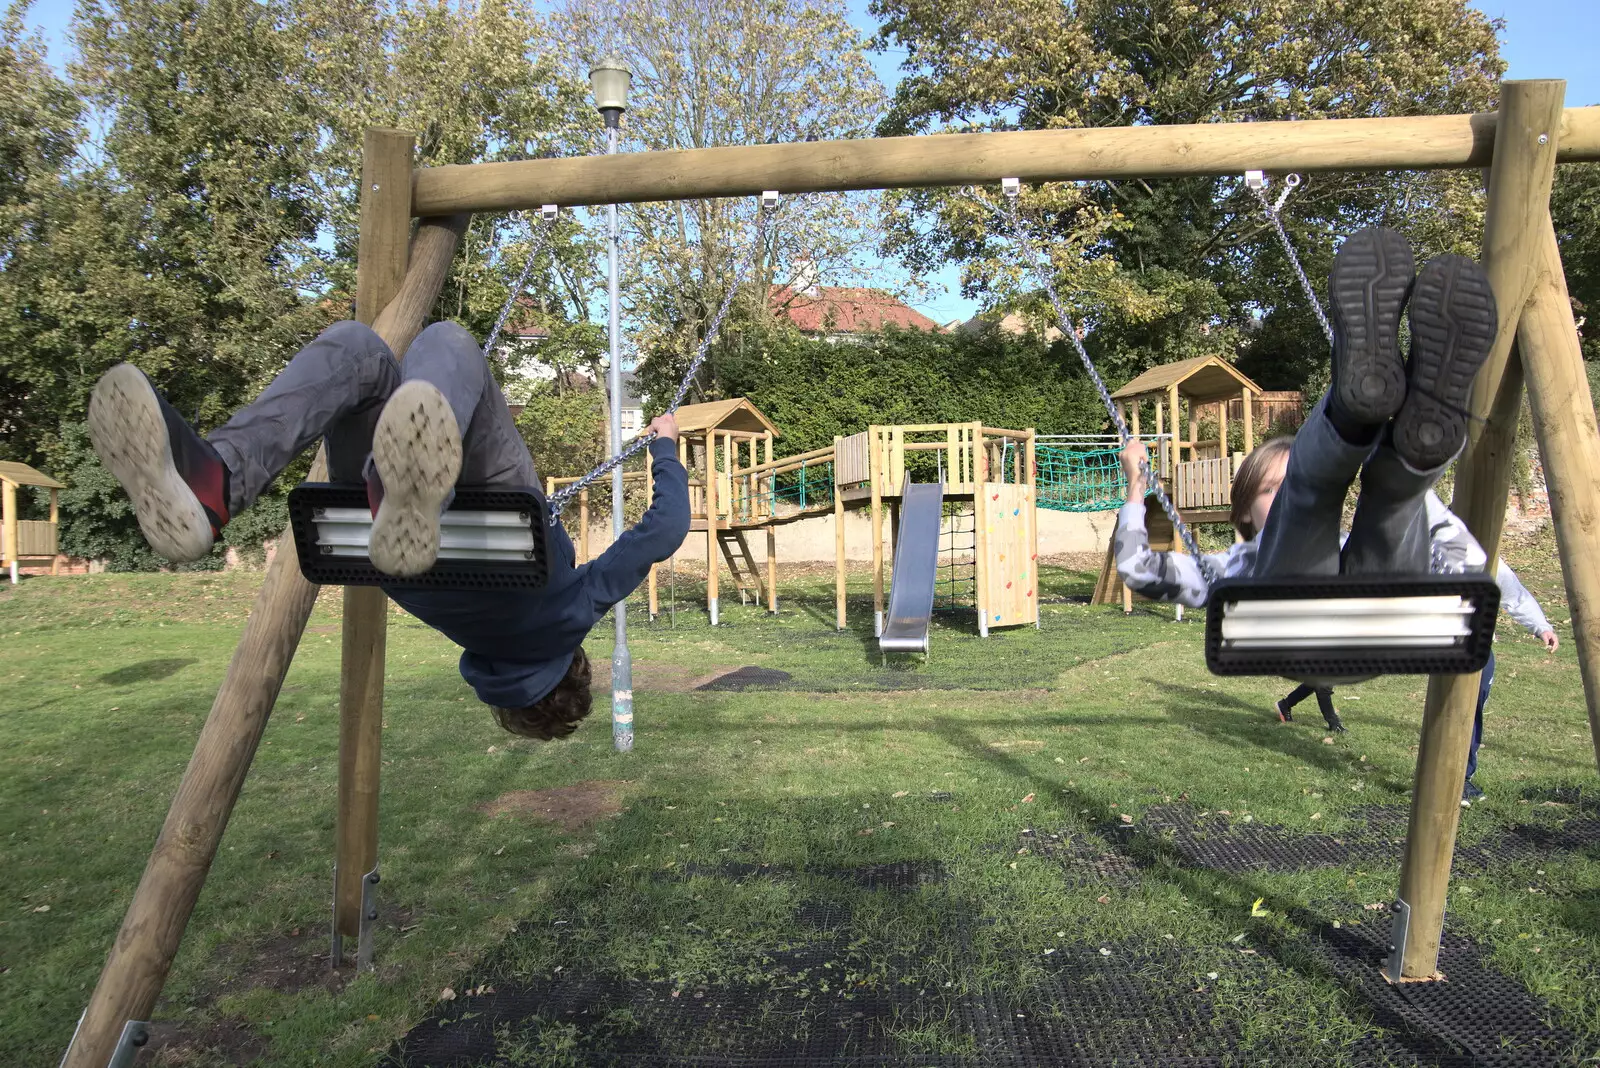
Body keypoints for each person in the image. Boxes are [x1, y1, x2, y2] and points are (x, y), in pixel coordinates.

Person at [86, 319, 689, 740]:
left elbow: (662, 533)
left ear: (573, 669)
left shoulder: (571, 615)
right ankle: (380, 489)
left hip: (490, 494)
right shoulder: (456, 628)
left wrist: (664, 447)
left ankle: (224, 479)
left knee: (417, 344)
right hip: (357, 520)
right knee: (362, 351)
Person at [1114, 226, 1497, 616]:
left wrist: (1410, 488)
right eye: (1272, 489)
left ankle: (1380, 438)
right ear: (1244, 511)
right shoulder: (1232, 568)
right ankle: (1356, 426)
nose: (1282, 498)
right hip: (1292, 620)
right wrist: (1135, 487)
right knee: (1314, 496)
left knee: (1390, 508)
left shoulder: (1348, 545)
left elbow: (1466, 563)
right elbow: (1136, 570)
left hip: (1381, 613)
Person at [1462, 561, 1559, 803]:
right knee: (1449, 710)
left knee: (1472, 709)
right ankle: (1436, 777)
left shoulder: (1489, 559)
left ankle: (1462, 778)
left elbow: (1515, 596)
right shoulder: (1427, 548)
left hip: (1477, 648)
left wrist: (1541, 627)